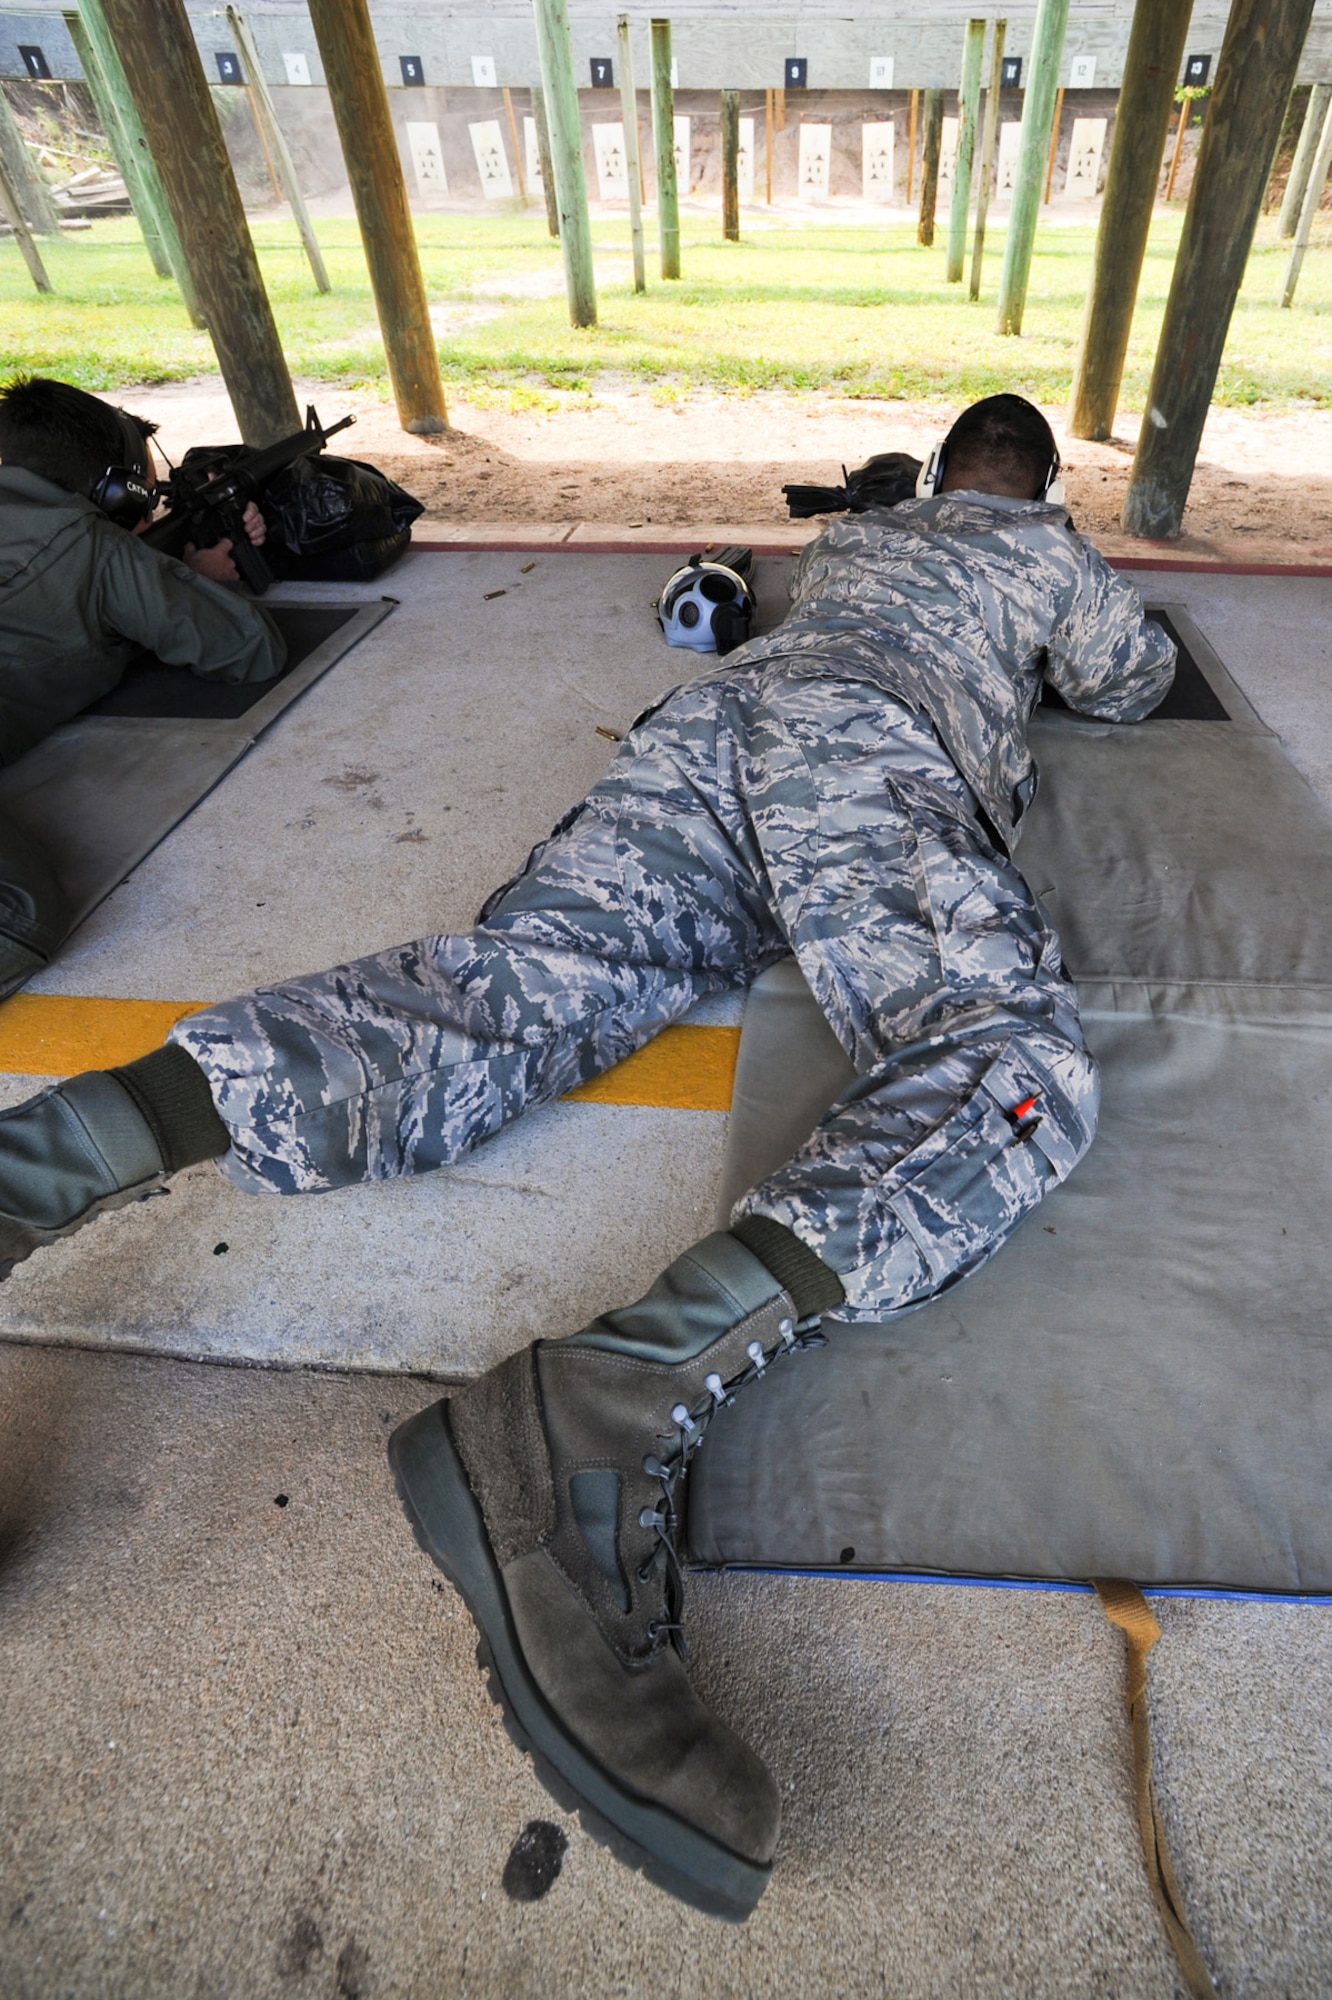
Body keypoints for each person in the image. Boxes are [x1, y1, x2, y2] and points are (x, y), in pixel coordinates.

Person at [0, 395, 1174, 1919]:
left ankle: (45, 1159)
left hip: (709, 730)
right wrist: (1064, 591)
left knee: (518, 995)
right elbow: (1132, 681)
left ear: (938, 474)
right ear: (1037, 489)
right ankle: (593, 1412)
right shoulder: (1048, 557)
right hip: (870, 753)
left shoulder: (866, 536)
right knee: (1011, 1072)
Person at [0, 376, 285, 994]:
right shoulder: (88, 547)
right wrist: (191, 577)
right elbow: (247, 649)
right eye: (144, 500)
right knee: (18, 919)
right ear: (114, 494)